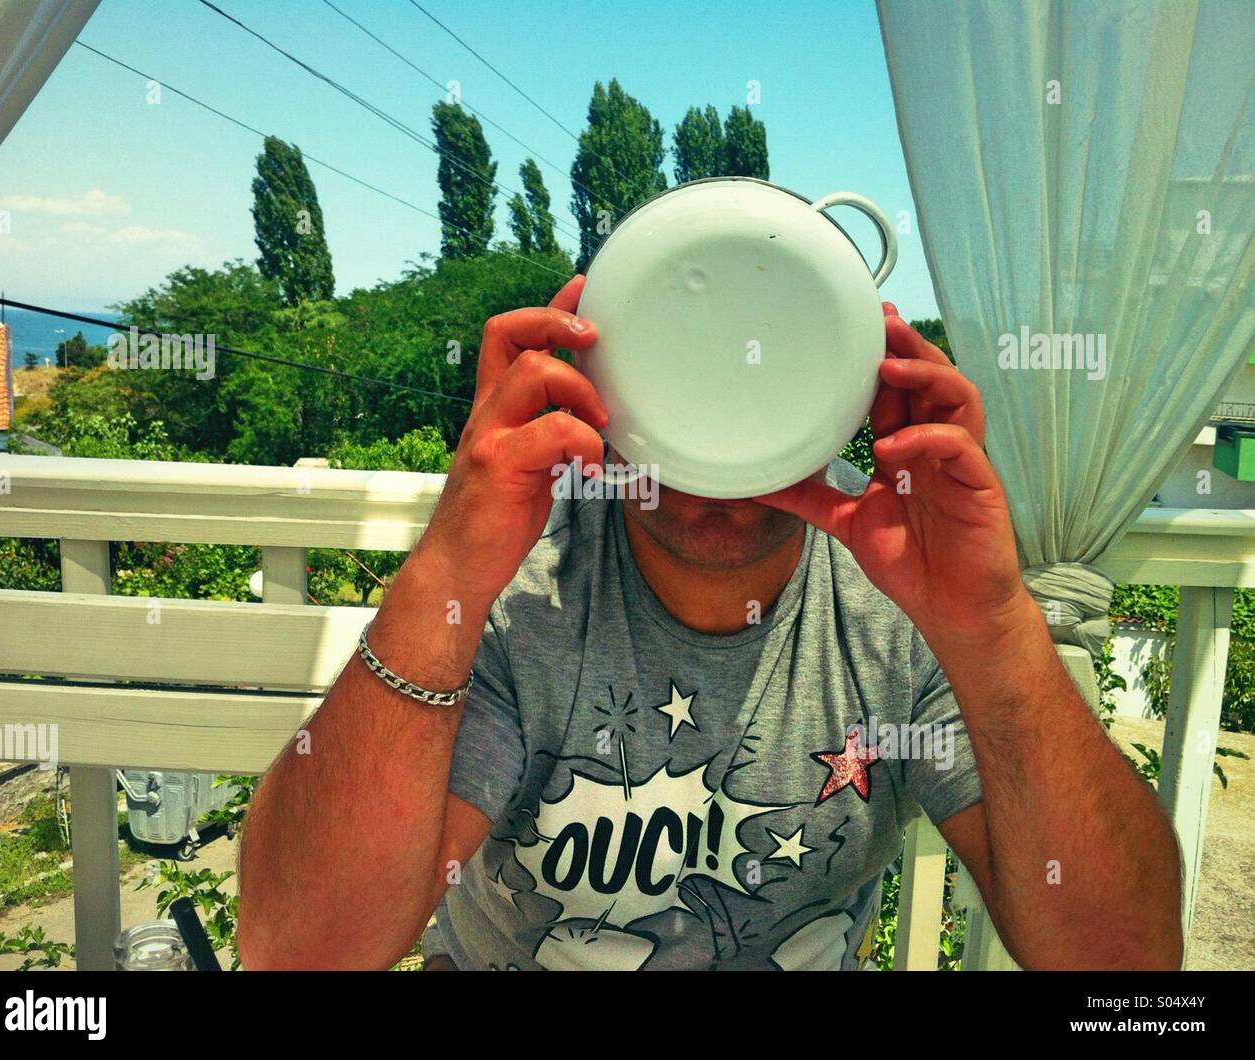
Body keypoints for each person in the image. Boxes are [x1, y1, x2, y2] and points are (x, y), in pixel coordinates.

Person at [236, 276, 1183, 971]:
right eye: (680, 382)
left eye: (765, 382)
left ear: (846, 388)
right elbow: (304, 949)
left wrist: (991, 622)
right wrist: (446, 566)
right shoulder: (522, 583)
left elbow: (1126, 969)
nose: (718, 450)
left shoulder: (904, 591)